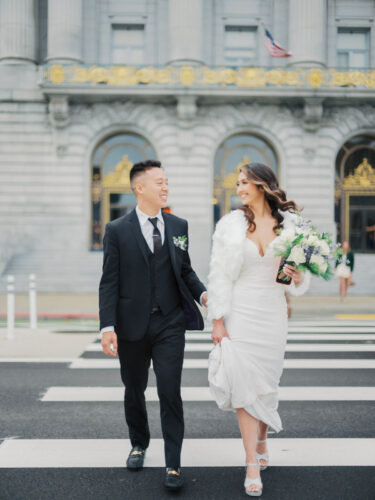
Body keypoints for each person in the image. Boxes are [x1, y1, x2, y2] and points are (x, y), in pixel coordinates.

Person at [99, 159, 207, 491]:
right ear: (139, 188)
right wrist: (107, 327)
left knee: (169, 390)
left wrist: (203, 295)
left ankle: (173, 463)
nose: (165, 187)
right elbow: (109, 281)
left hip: (170, 323)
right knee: (134, 389)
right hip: (131, 326)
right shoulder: (117, 230)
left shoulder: (178, 226)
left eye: (167, 182)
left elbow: (184, 269)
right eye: (158, 182)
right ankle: (138, 443)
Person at [207, 163, 310, 497]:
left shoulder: (291, 225)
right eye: (237, 183)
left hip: (273, 312)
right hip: (241, 312)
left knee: (266, 383)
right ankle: (252, 461)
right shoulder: (230, 225)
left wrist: (297, 277)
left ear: (263, 186)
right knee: (244, 384)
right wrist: (218, 320)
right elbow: (220, 275)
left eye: (244, 183)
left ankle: (263, 438)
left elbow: (297, 275)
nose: (239, 188)